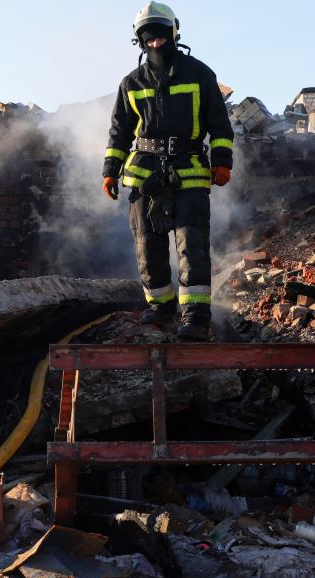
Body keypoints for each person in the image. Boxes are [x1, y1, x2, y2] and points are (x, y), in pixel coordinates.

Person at [101, 1, 234, 341]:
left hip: (188, 170)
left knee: (192, 245)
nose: (155, 42)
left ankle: (195, 316)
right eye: (148, 37)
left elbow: (219, 124)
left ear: (174, 33)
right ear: (140, 40)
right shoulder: (130, 83)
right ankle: (161, 307)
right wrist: (110, 170)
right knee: (148, 247)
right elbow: (119, 132)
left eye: (160, 35)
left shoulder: (199, 73)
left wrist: (222, 161)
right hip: (144, 176)